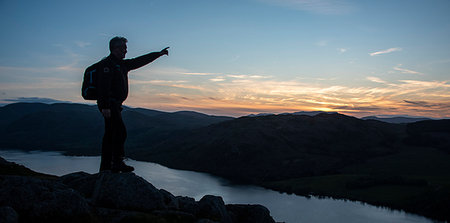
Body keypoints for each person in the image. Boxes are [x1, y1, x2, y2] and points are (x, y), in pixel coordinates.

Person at [97, 36, 169, 172]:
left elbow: (139, 61)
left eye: (125, 48)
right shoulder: (107, 64)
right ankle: (116, 162)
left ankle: (106, 166)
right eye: (123, 48)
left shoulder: (122, 64)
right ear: (114, 49)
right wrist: (105, 106)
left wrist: (158, 54)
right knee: (120, 132)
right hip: (110, 105)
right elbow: (103, 87)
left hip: (115, 105)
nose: (125, 51)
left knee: (110, 134)